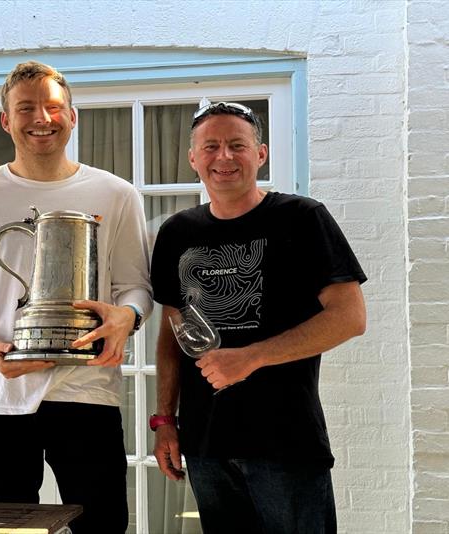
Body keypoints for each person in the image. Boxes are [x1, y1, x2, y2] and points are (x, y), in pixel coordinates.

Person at [0, 61, 152, 533]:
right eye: (26, 108)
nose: (41, 118)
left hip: (87, 391)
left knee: (102, 527)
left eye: (53, 107)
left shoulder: (116, 193)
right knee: (8, 532)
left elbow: (135, 285)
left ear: (73, 116)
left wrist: (127, 316)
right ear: (6, 120)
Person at [150, 102, 367, 534]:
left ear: (261, 154)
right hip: (206, 443)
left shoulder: (303, 218)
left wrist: (250, 357)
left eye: (237, 145)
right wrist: (164, 421)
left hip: (285, 441)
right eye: (210, 146)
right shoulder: (176, 233)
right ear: (193, 159)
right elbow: (172, 332)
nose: (224, 157)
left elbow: (349, 317)